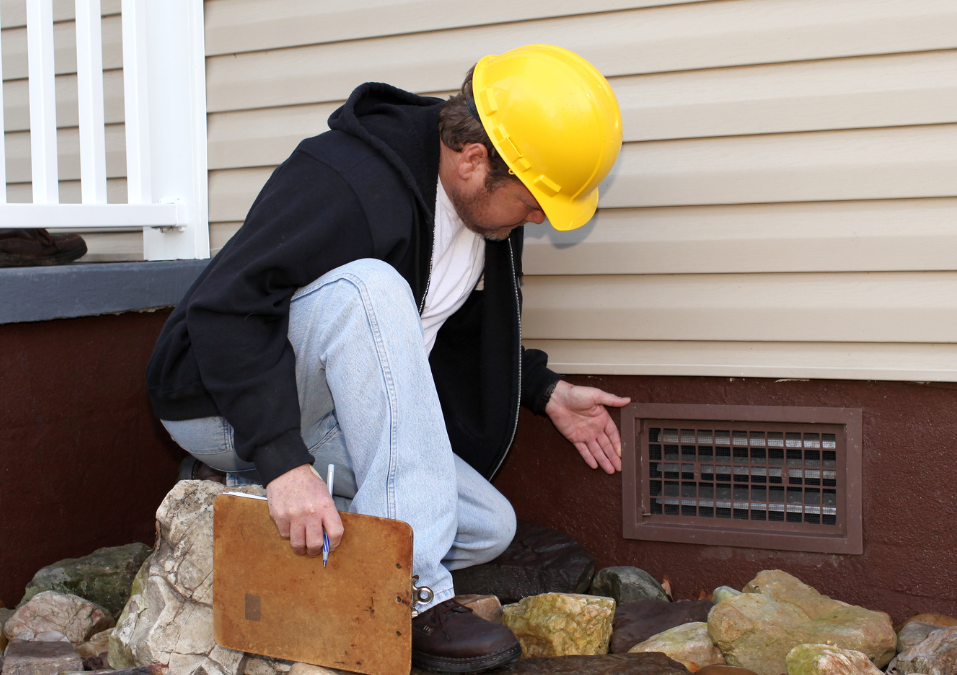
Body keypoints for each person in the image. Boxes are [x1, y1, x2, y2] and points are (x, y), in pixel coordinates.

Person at [147, 44, 627, 674]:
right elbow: (225, 309)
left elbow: (437, 330)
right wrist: (285, 461)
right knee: (368, 288)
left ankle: (245, 499)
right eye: (535, 200)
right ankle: (414, 596)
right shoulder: (343, 176)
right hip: (221, 404)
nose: (542, 218)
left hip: (327, 415)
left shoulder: (479, 217)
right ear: (473, 160)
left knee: (488, 525)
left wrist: (541, 389)